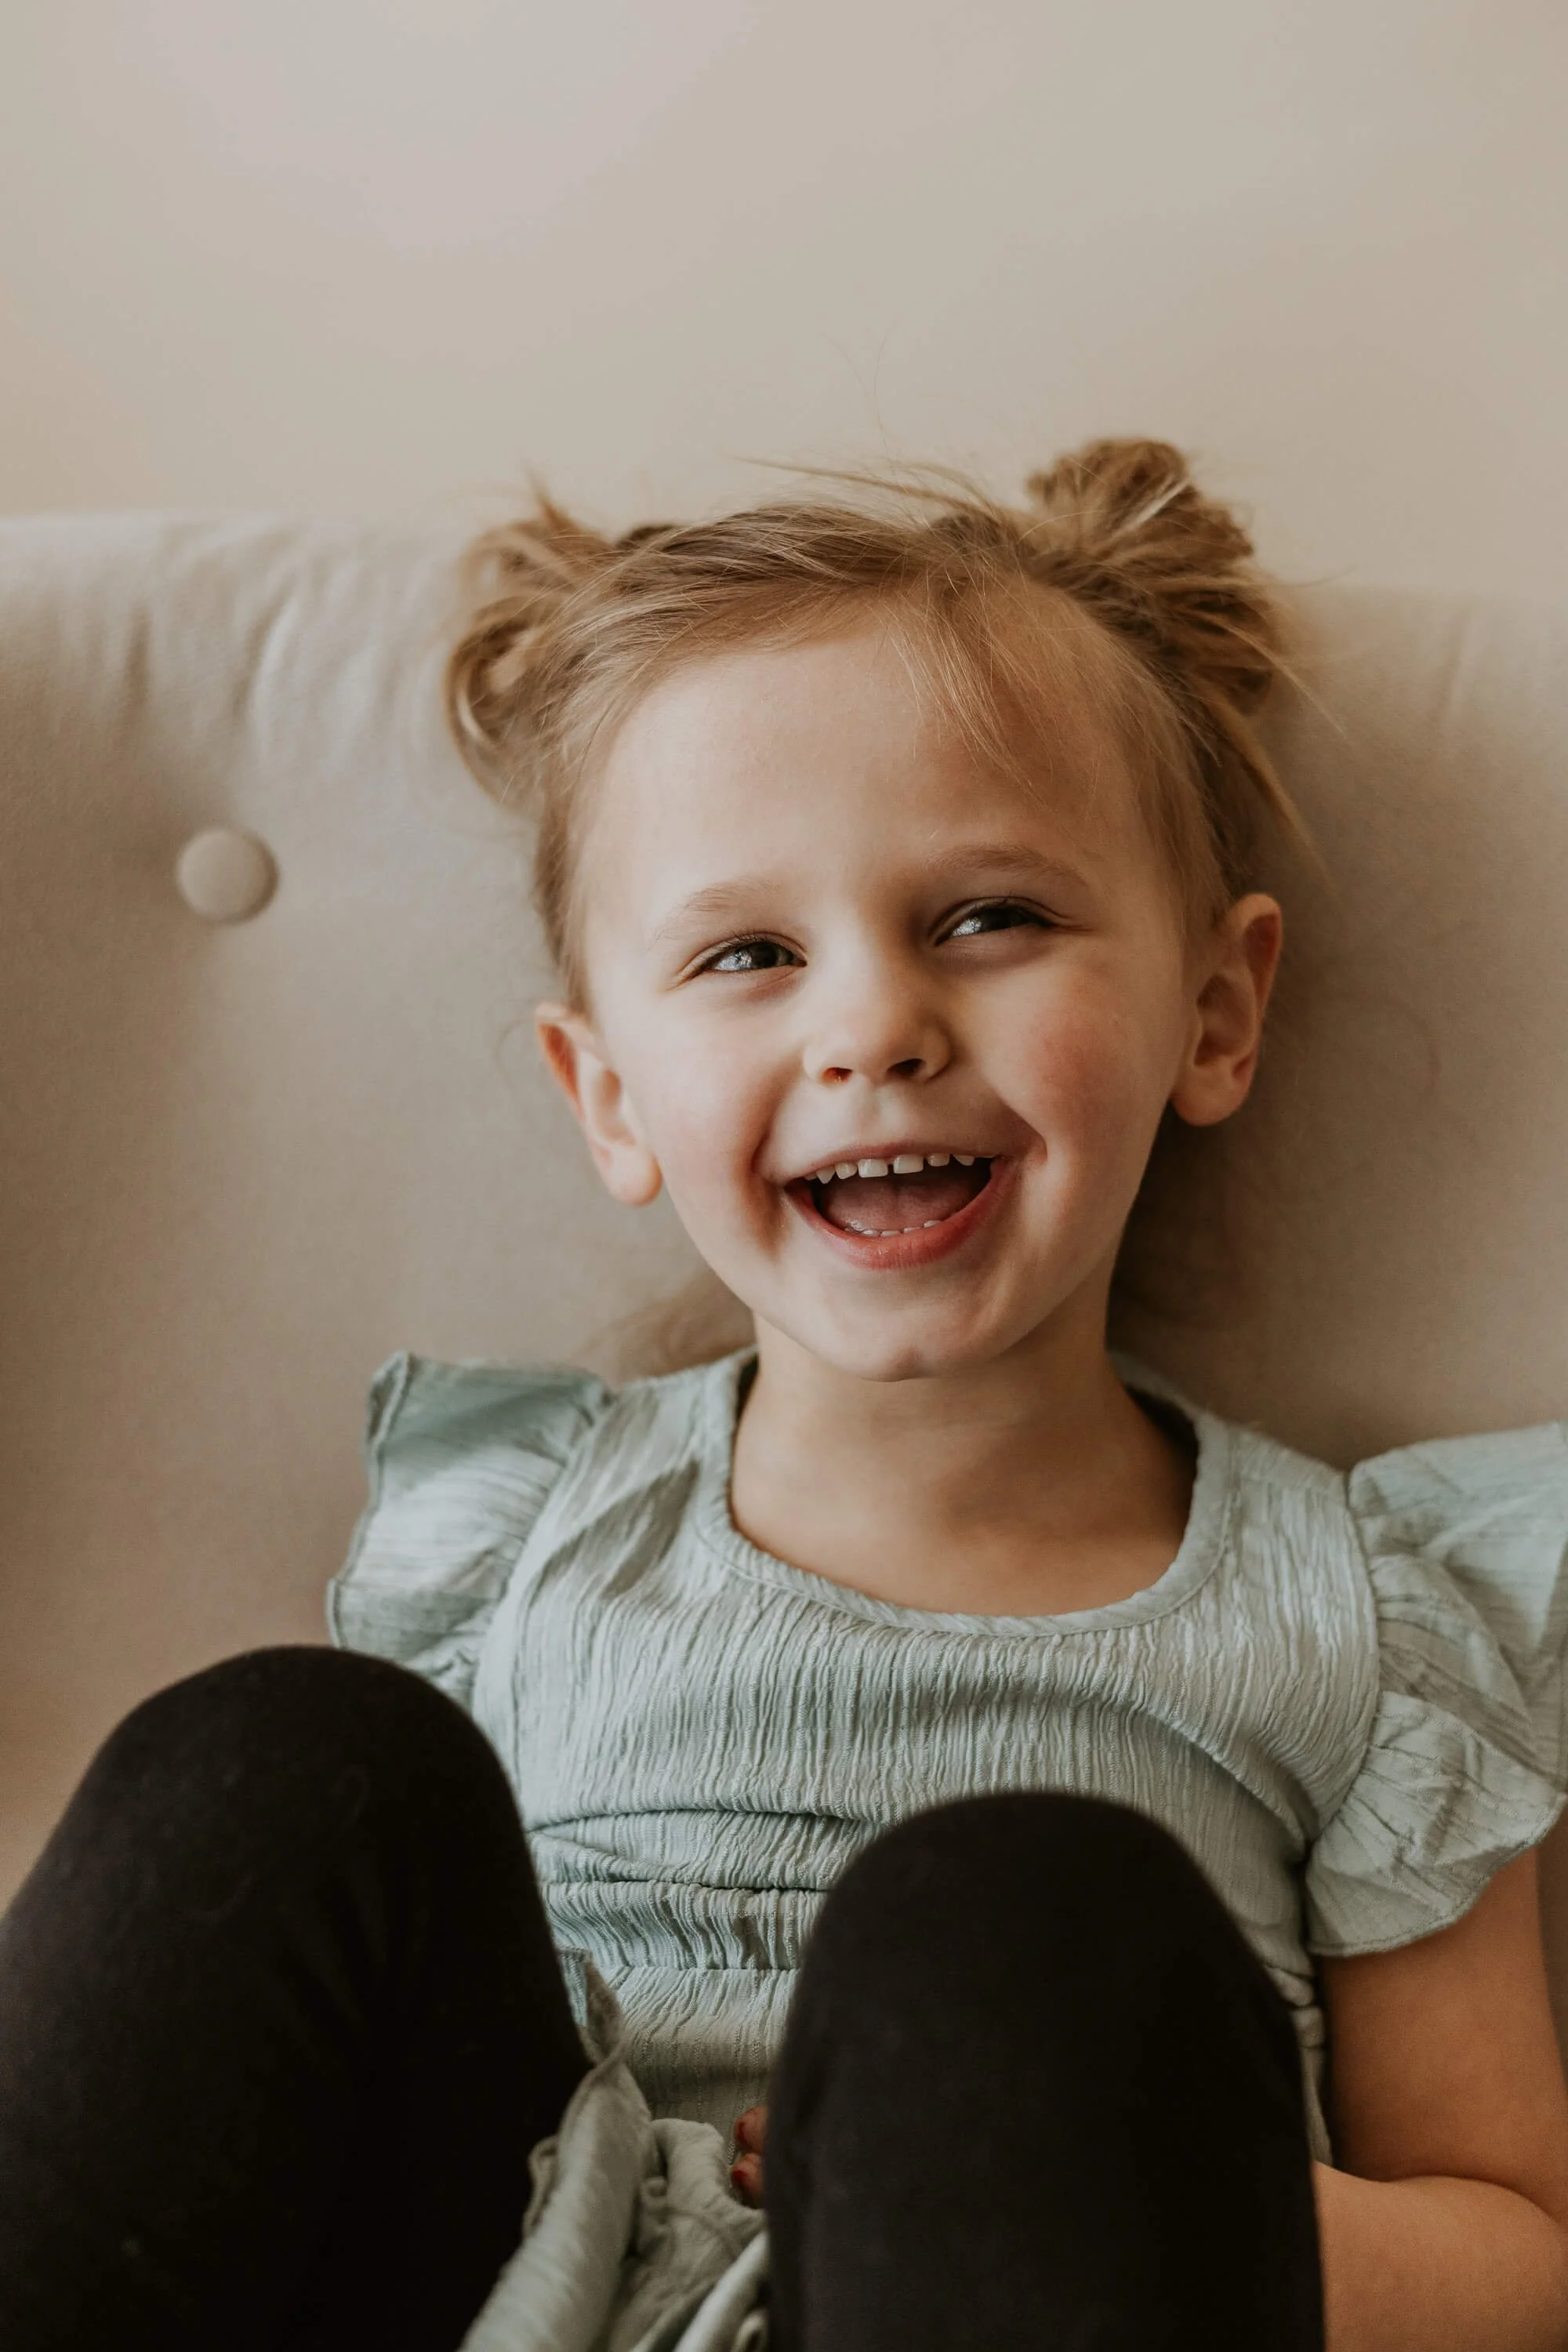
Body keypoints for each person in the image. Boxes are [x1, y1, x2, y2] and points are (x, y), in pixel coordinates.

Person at [3, 440, 1567, 2352]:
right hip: (504, 2275)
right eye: (748, 954)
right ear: (607, 1098)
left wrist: (1106, 2160)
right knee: (273, 1761)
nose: (872, 1028)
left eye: (989, 917)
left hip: (1015, 2283)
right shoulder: (522, 1532)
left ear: (1214, 1015)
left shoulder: (1368, 1623)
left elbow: (1518, 2253)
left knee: (1021, 1923)